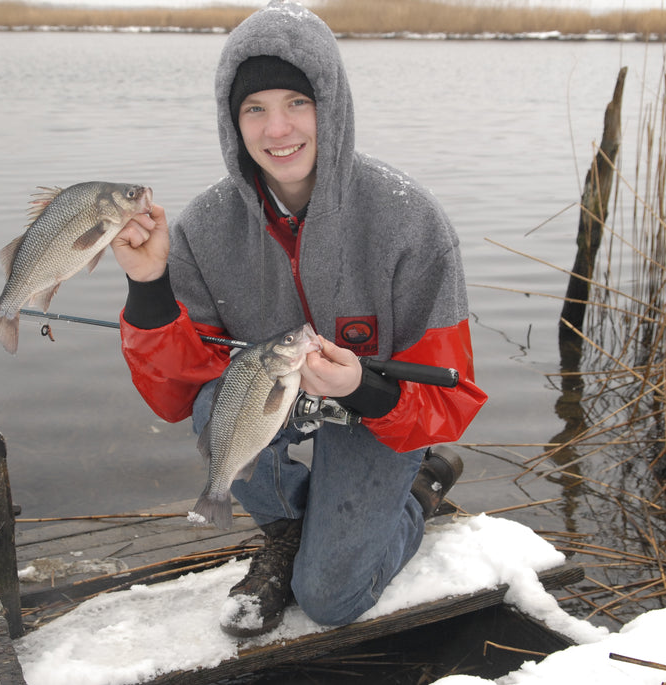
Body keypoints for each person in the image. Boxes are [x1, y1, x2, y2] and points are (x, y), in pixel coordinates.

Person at [112, 0, 487, 637]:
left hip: (383, 414)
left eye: (297, 102)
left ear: (331, 108)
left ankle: (420, 492)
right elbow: (180, 394)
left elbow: (451, 398)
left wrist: (363, 387)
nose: (277, 128)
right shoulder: (204, 228)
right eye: (254, 108)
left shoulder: (409, 222)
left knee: (330, 599)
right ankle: (288, 534)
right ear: (233, 123)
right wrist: (148, 285)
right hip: (276, 394)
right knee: (214, 405)